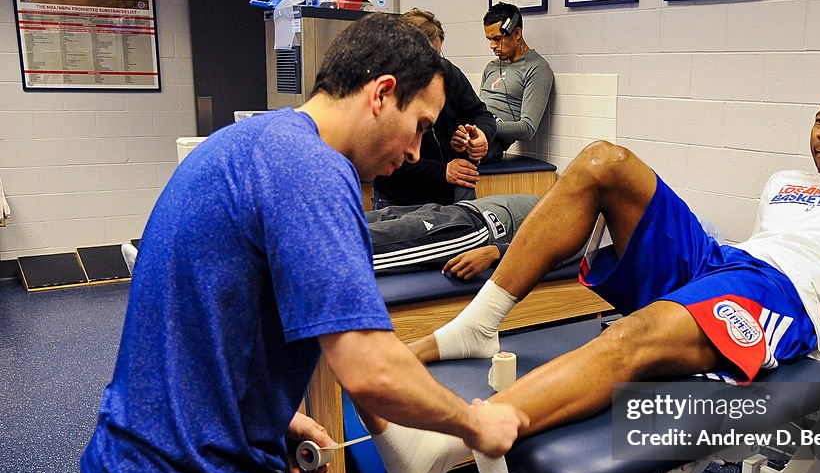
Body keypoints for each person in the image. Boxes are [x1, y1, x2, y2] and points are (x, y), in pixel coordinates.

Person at [80, 14, 527, 473]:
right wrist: (475, 425)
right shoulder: (314, 169)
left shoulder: (248, 144)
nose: (419, 152)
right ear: (380, 94)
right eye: (421, 126)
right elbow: (370, 371)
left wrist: (269, 412)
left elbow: (191, 321)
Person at [373, 90, 820, 473]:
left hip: (783, 295)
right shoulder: (785, 182)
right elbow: (761, 244)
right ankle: (481, 321)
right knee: (604, 160)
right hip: (727, 260)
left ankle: (447, 447)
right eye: (819, 120)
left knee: (633, 335)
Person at [122, 194, 545, 279]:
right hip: (453, 212)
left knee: (348, 251)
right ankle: (170, 255)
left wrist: (495, 251)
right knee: (342, 223)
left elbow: (564, 255)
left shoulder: (591, 222)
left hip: (472, 231)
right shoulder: (572, 195)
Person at [372, 9, 497, 209]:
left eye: (437, 55)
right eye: (426, 57)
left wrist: (481, 135)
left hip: (445, 198)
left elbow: (480, 114)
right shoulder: (385, 86)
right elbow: (382, 160)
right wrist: (442, 171)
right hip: (397, 201)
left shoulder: (447, 73)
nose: (433, 65)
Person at [369, 194, 540, 276]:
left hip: (477, 228)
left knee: (373, 243)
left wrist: (497, 252)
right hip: (457, 210)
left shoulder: (567, 217)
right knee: (366, 218)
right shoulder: (559, 200)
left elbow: (552, 251)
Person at [467, 3, 553, 163]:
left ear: (517, 33)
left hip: (490, 140)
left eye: (497, 39)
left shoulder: (537, 68)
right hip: (473, 129)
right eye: (489, 39)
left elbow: (527, 129)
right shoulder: (491, 67)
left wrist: (486, 126)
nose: (492, 46)